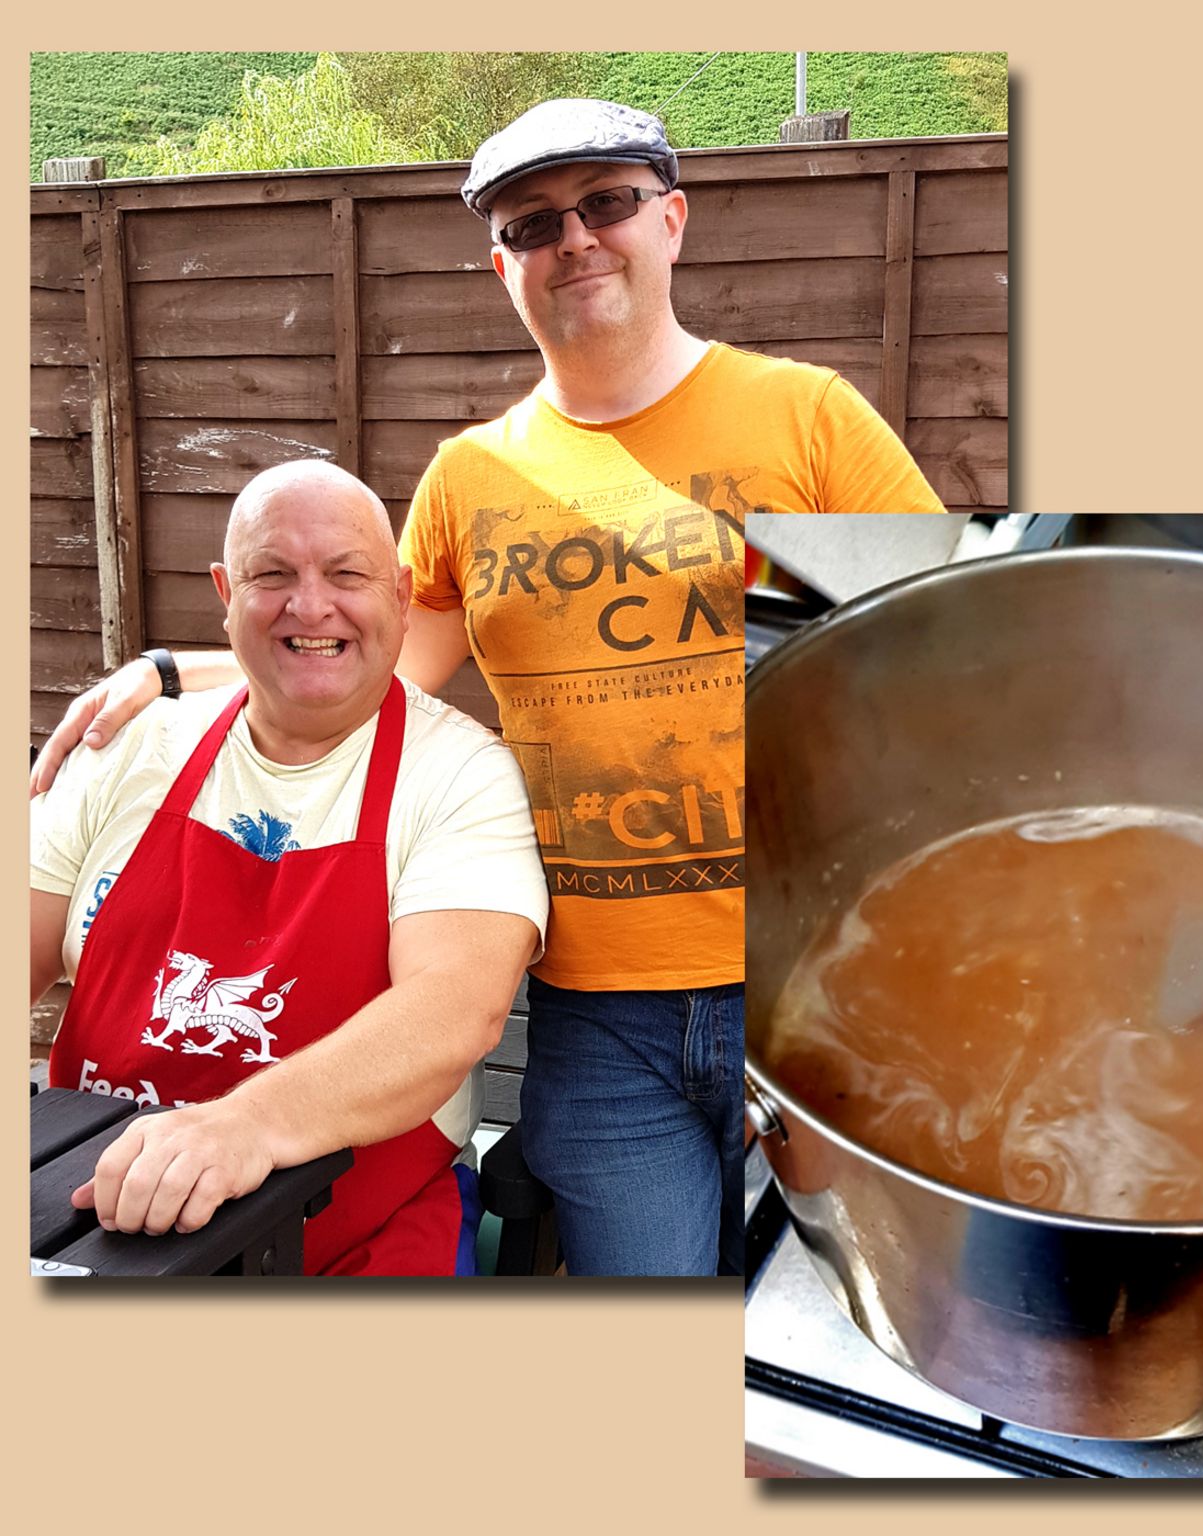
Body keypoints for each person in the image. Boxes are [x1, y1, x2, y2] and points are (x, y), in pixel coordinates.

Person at [30, 98, 945, 1276]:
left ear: (671, 220)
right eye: (532, 223)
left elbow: (925, 656)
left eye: (606, 203)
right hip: (606, 1014)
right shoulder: (471, 476)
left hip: (826, 966)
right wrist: (177, 672)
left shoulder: (808, 417)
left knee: (845, 1314)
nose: (574, 239)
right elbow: (361, 653)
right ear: (498, 265)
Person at [29, 462, 548, 1277]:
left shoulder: (460, 774)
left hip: (356, 1230)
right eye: (272, 574)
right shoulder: (127, 748)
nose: (311, 606)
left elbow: (455, 1010)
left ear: (403, 596)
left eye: (347, 574)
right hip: (94, 1211)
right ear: (224, 593)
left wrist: (243, 1128)